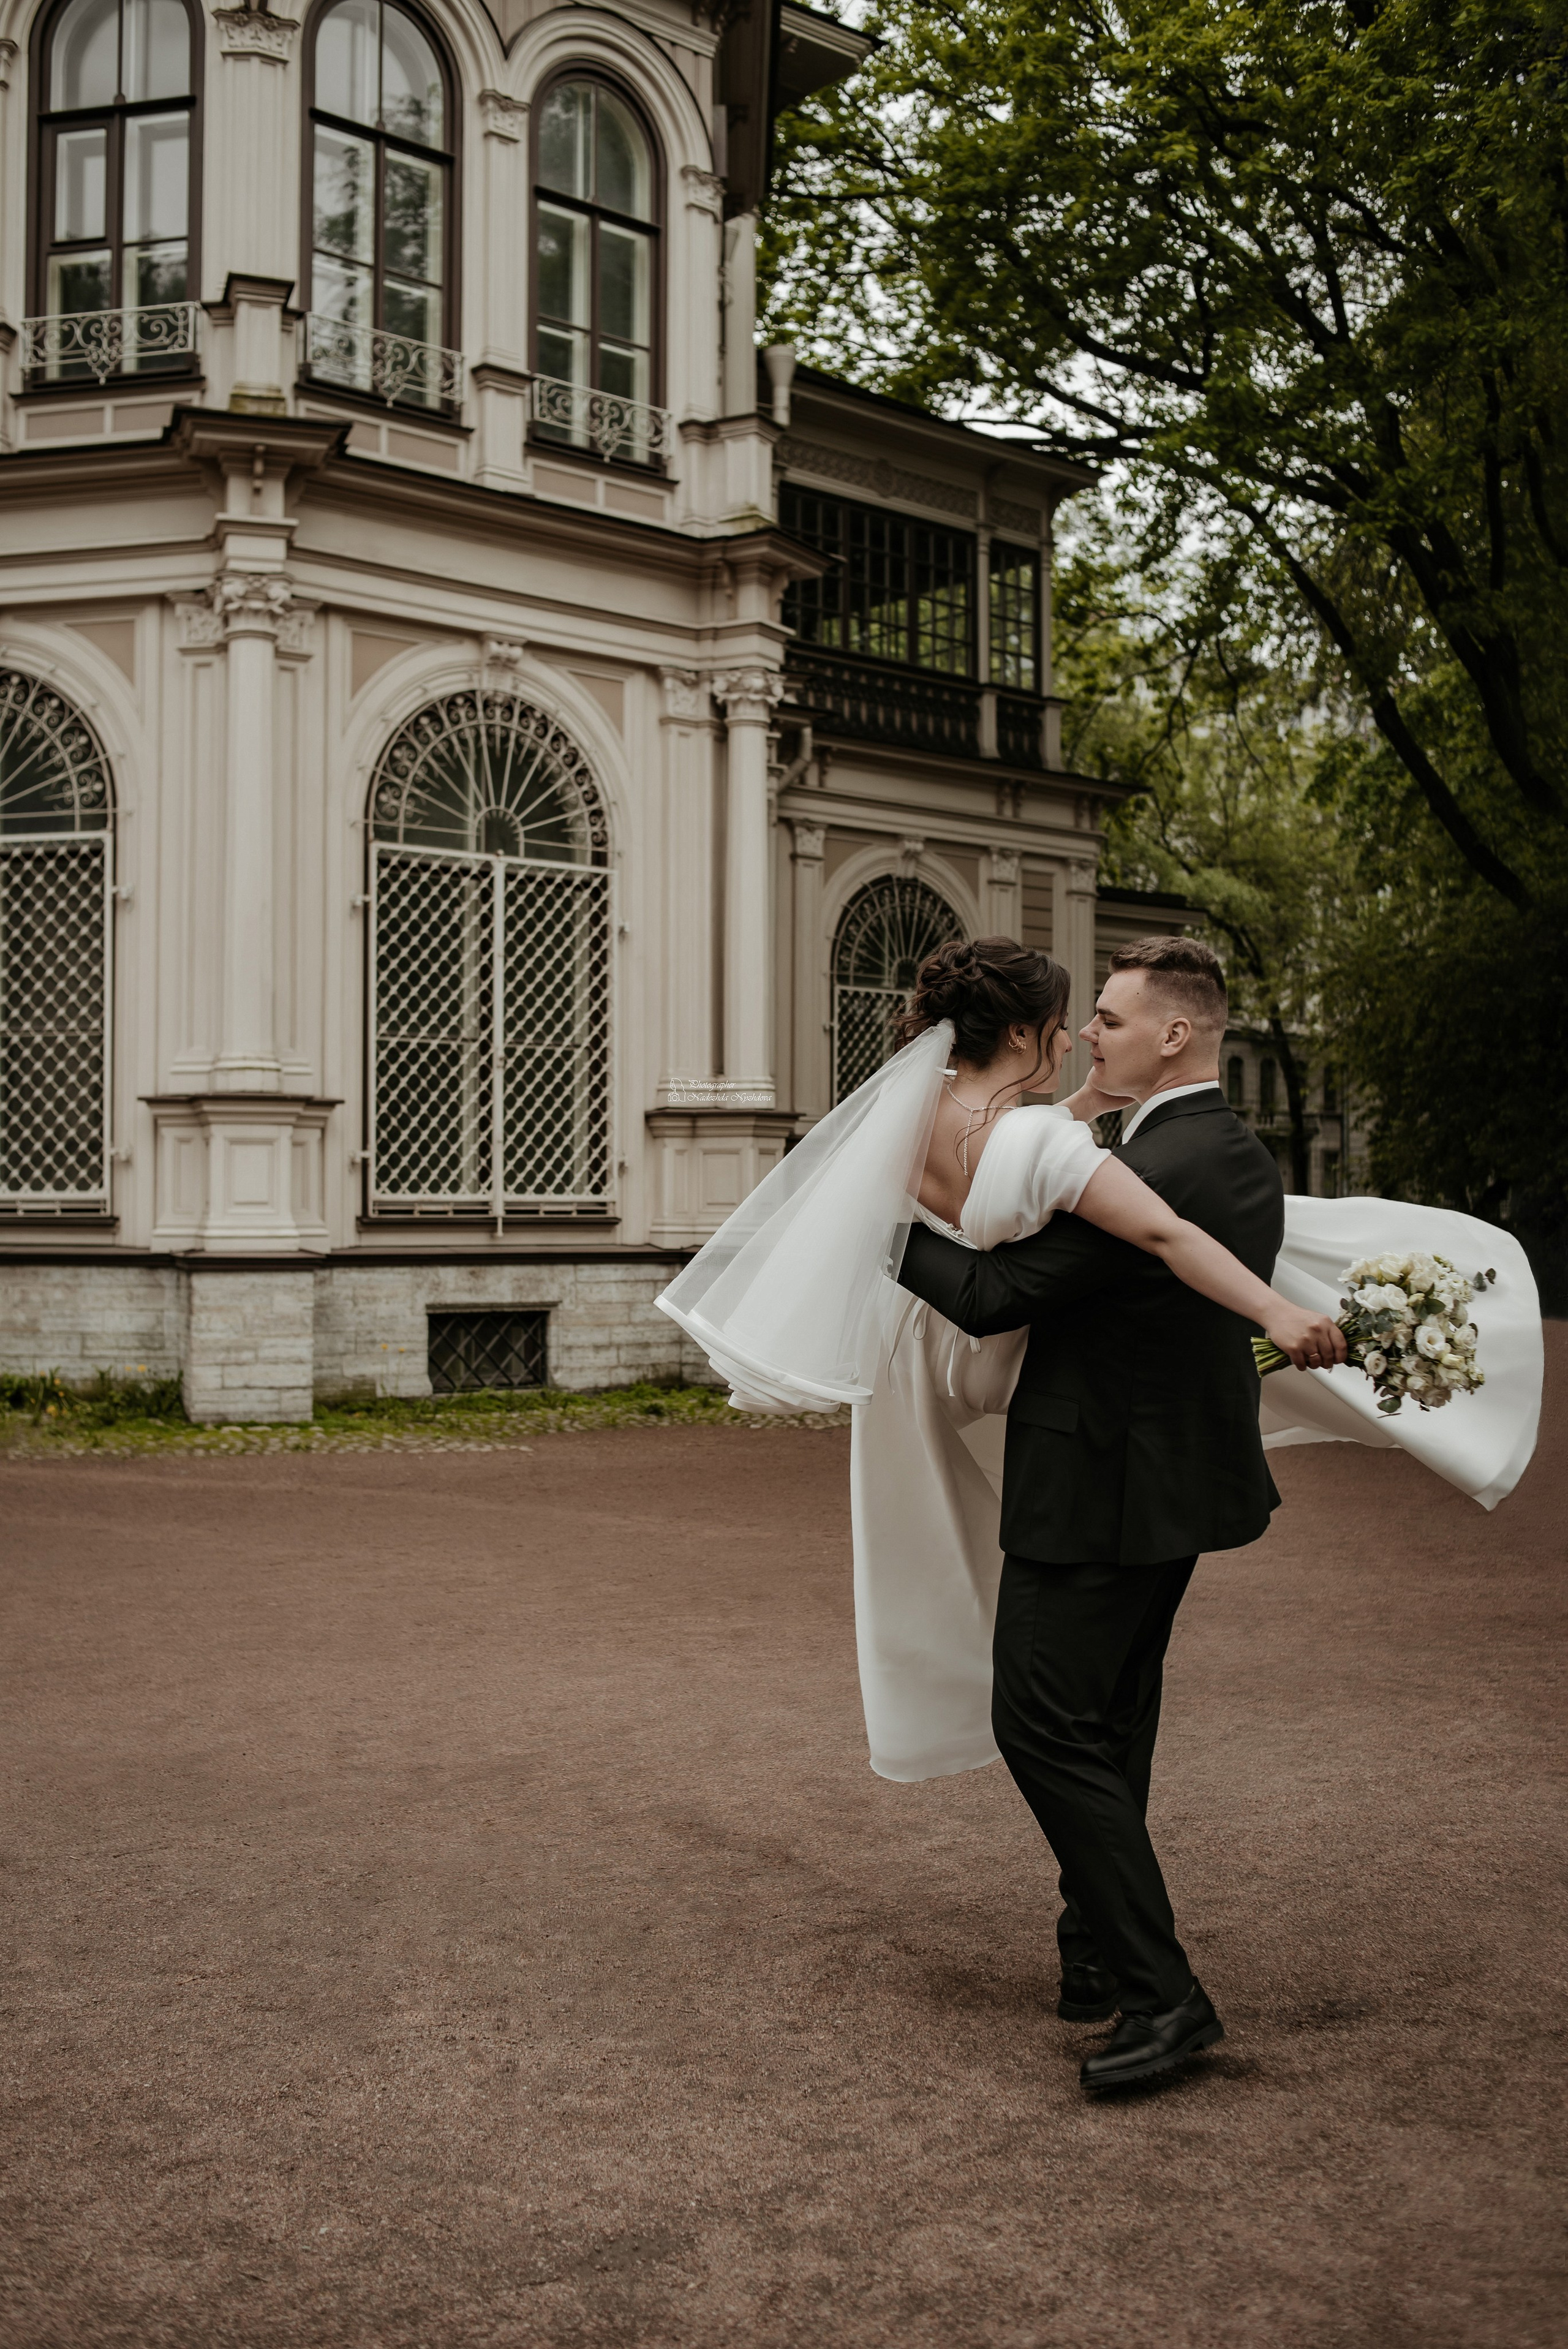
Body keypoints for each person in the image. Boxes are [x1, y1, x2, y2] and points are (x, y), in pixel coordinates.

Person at [657, 935, 1542, 2094]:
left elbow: (1006, 1292)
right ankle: (1096, 1961)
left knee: (1039, 1719)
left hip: (1116, 1481)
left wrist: (869, 1219)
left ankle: (1165, 1995)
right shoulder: (1119, 1135)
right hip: (1131, 1471)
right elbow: (1068, 1206)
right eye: (1082, 1018)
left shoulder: (1187, 1159)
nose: (1091, 1035)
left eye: (1112, 1020)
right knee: (1112, 1715)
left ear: (1174, 1033)